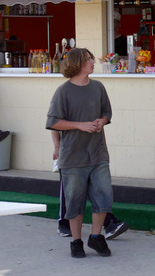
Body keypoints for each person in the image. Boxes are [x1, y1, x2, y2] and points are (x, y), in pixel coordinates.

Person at [46, 47, 115, 258]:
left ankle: (96, 237)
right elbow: (53, 121)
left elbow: (106, 113)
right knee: (75, 200)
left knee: (104, 195)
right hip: (73, 156)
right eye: (88, 59)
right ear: (78, 63)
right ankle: (76, 241)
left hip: (98, 153)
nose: (93, 62)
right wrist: (80, 125)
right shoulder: (63, 91)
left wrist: (101, 121)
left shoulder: (98, 87)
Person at [52, 130, 129, 239]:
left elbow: (100, 126)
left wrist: (104, 149)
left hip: (91, 151)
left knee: (97, 187)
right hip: (70, 154)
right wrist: (57, 146)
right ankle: (64, 222)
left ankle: (108, 222)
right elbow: (54, 123)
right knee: (71, 189)